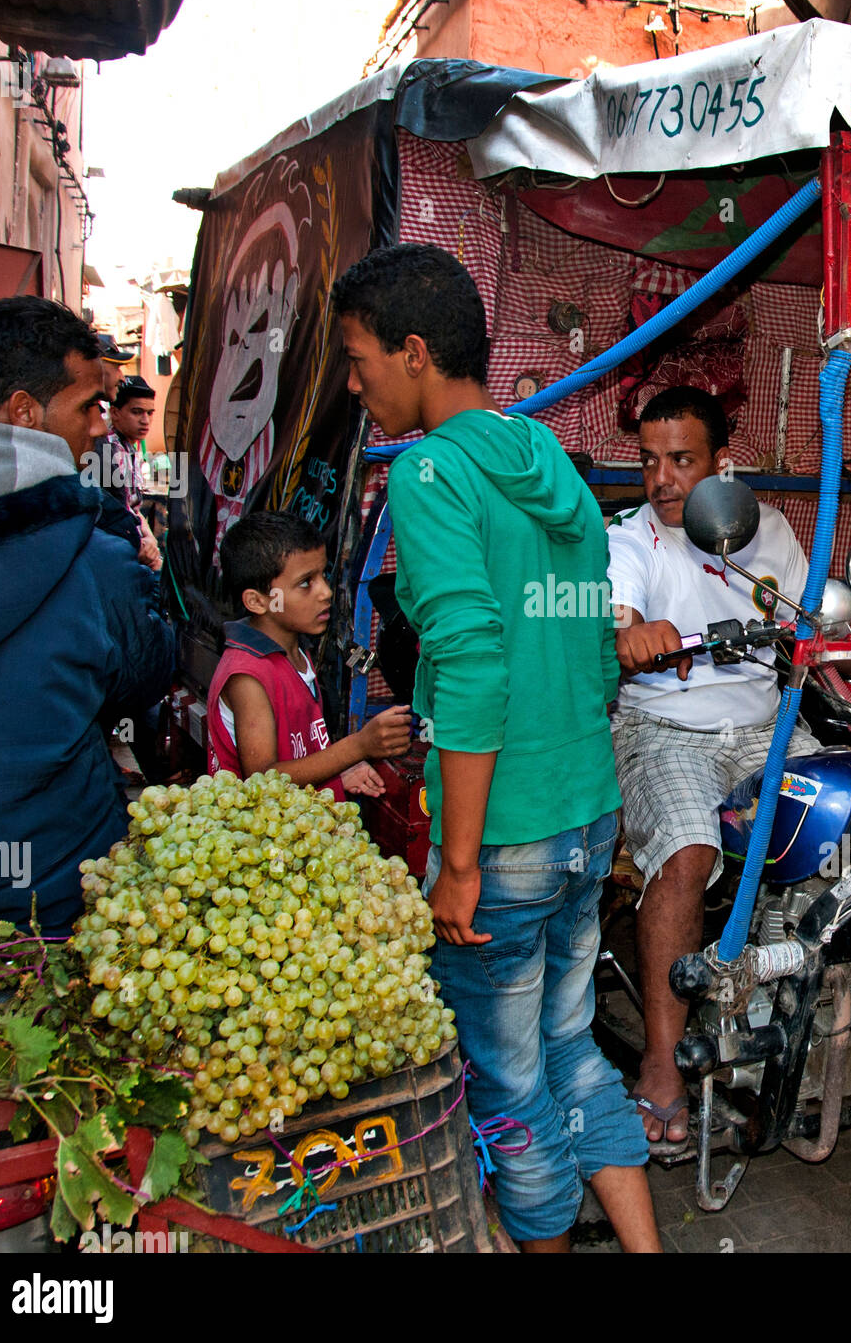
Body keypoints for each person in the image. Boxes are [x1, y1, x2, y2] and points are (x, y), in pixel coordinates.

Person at [332, 242, 660, 1254]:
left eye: (359, 359)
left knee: (509, 1082)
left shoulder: (429, 474)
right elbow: (593, 649)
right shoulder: (548, 460)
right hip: (582, 807)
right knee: (570, 1049)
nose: (354, 384)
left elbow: (472, 667)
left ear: (417, 351)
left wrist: (460, 864)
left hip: (507, 834)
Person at [607, 385, 817, 1153]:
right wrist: (626, 631)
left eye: (681, 462)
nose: (660, 481)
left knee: (845, 818)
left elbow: (809, 615)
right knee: (690, 850)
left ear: (723, 463)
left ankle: (822, 1005)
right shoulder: (631, 538)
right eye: (648, 461)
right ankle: (661, 1064)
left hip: (763, 725)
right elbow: (615, 607)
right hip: (664, 730)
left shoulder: (768, 533)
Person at [0, 297, 175, 935]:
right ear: (24, 413)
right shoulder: (100, 562)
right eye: (89, 405)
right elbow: (145, 679)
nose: (102, 427)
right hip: (53, 908)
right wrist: (140, 575)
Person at [206, 510, 411, 800]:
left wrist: (339, 770)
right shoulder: (248, 675)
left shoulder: (295, 651)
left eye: (323, 575)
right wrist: (357, 746)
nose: (325, 592)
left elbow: (299, 752)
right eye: (306, 583)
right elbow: (263, 780)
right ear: (257, 601)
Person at [94, 374, 161, 572]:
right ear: (115, 413)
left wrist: (150, 539)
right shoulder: (107, 450)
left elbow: (134, 507)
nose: (145, 420)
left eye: (150, 413)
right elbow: (115, 513)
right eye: (137, 412)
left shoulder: (132, 448)